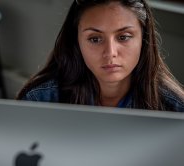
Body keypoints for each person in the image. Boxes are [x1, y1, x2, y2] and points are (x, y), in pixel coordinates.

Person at [16, 0, 184, 112]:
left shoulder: (174, 108)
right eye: (95, 39)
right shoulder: (40, 100)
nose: (110, 52)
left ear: (144, 39)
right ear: (76, 42)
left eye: (123, 37)